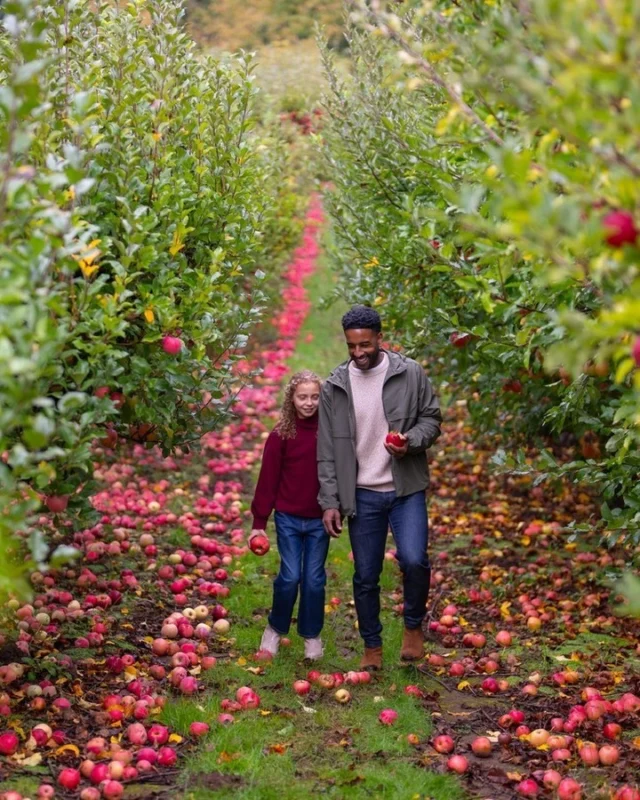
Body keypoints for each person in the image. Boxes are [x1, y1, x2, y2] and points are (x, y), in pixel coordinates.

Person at [317, 305, 442, 670]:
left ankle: (413, 627)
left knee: (415, 560)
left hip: (404, 489)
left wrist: (410, 441)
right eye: (352, 346)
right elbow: (326, 449)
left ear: (379, 339)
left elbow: (431, 419)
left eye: (365, 345)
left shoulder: (410, 373)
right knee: (366, 575)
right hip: (362, 494)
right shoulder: (336, 385)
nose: (358, 353)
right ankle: (372, 646)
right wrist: (330, 501)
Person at [250, 370, 328, 661]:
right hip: (288, 518)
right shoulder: (281, 434)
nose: (309, 403)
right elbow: (267, 480)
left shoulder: (329, 433)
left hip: (320, 518)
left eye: (315, 397)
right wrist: (259, 523)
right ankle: (274, 628)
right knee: (290, 575)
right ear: (291, 399)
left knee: (314, 579)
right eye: (302, 397)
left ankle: (312, 635)